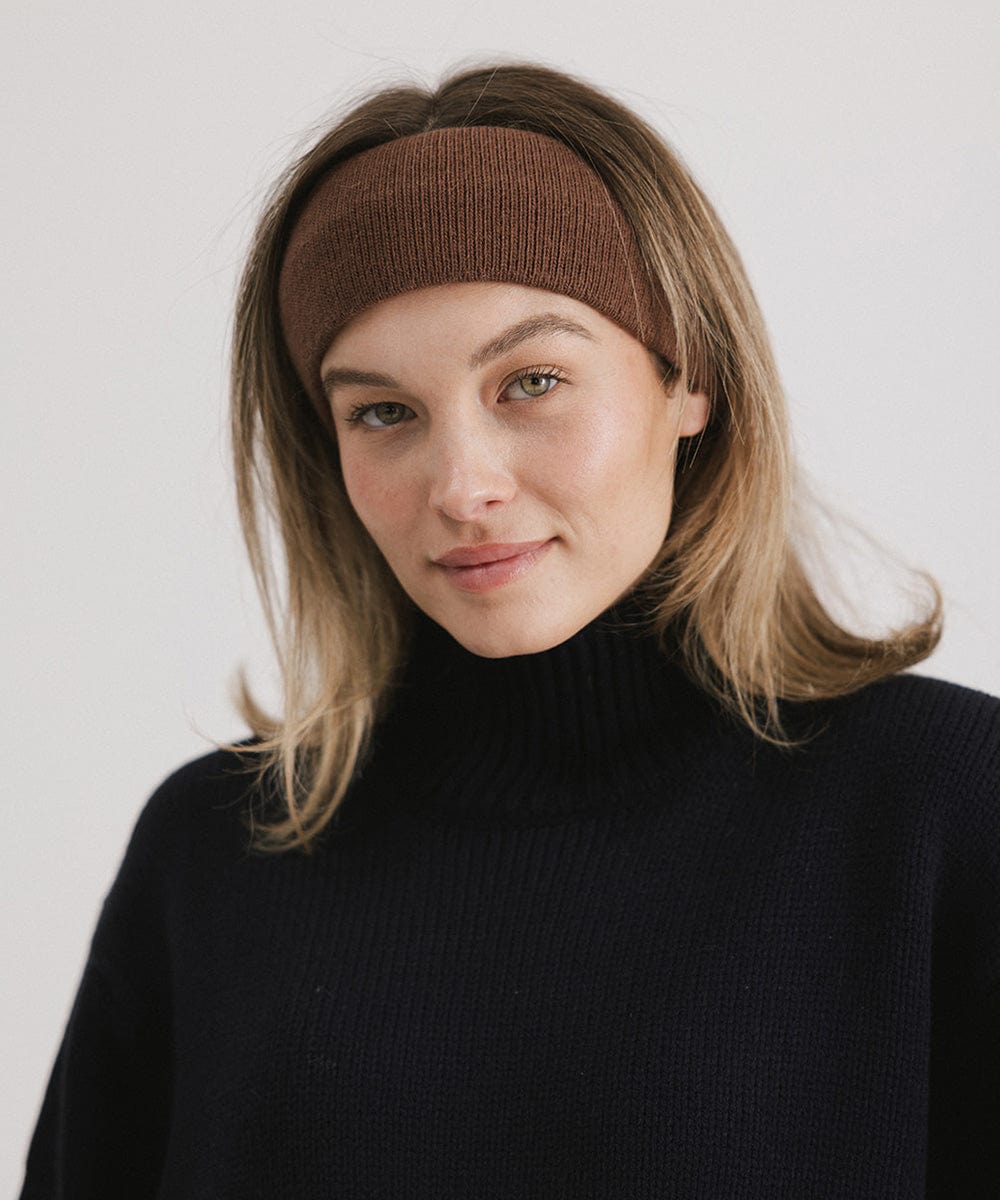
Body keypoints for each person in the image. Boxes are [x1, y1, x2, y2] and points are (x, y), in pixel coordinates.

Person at [20, 62, 1000, 1199]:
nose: (461, 485)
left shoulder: (939, 813)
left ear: (691, 381)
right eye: (383, 411)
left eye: (530, 380)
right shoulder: (213, 855)